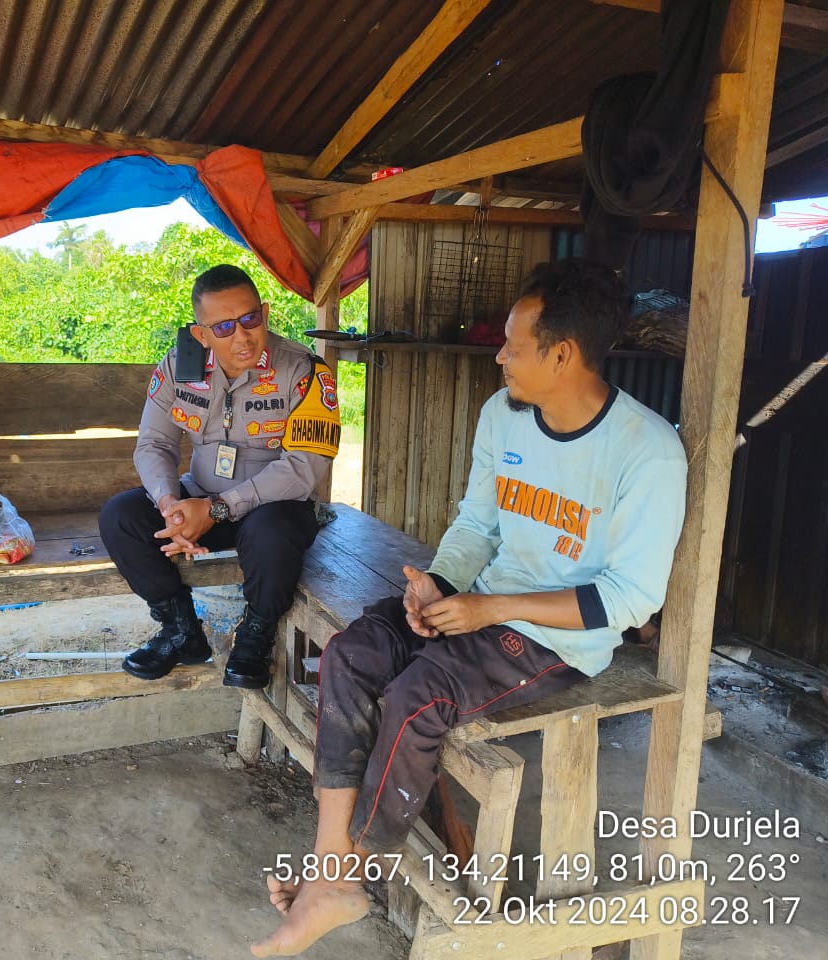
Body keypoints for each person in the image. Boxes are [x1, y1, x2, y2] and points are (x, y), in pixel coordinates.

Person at [250, 259, 688, 956]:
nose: (500, 355)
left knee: (418, 696)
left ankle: (338, 875)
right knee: (353, 652)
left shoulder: (647, 451)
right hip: (480, 605)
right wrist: (440, 588)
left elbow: (630, 598)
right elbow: (478, 524)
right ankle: (331, 865)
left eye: (514, 345)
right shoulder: (504, 414)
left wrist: (493, 608)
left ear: (563, 354)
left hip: (559, 639)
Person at [99, 264, 341, 688]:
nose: (242, 336)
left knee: (275, 534)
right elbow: (154, 444)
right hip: (197, 500)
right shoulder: (180, 366)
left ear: (264, 312)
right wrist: (170, 505)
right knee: (120, 516)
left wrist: (216, 508)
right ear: (201, 335)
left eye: (250, 319)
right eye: (224, 326)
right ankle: (180, 631)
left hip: (270, 507)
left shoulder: (303, 370)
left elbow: (304, 468)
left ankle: (256, 635)